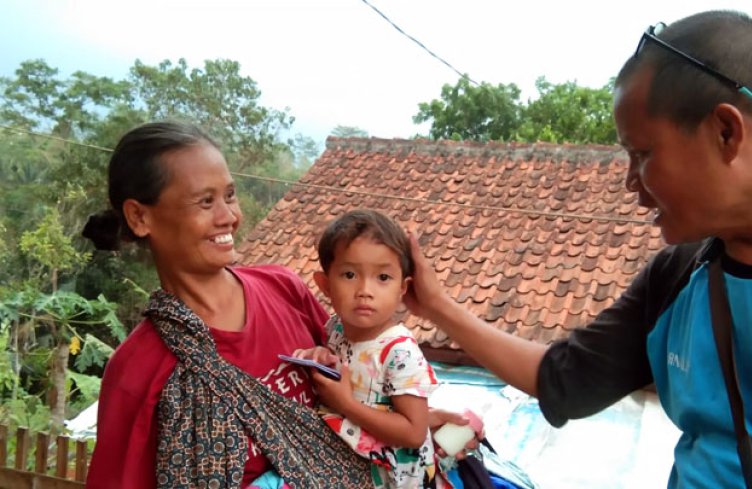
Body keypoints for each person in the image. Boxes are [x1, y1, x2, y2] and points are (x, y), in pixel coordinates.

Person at [402, 10, 752, 488]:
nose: (630, 183)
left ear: (725, 132)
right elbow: (566, 381)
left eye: (642, 154)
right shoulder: (677, 277)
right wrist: (437, 306)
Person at [81, 122, 476, 489]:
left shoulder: (283, 290)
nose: (230, 217)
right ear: (139, 216)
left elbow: (354, 385)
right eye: (205, 202)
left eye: (230, 195)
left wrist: (417, 424)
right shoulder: (138, 371)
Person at [253, 209, 446, 489]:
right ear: (325, 285)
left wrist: (346, 405)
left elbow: (414, 432)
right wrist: (320, 357)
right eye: (349, 274)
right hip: (343, 461)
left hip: (392, 480)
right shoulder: (335, 329)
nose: (364, 290)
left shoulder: (398, 351)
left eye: (382, 277)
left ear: (403, 288)